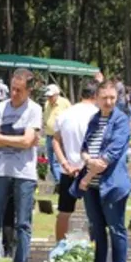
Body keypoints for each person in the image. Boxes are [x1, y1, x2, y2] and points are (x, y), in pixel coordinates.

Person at [0, 68, 42, 262]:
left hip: (25, 173)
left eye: (19, 90)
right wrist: (18, 140)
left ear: (29, 91)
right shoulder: (1, 108)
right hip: (1, 171)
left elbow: (27, 141)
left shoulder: (34, 109)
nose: (14, 94)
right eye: (13, 89)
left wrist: (2, 139)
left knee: (23, 223)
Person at [74, 81, 131, 262]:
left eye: (112, 98)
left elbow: (109, 156)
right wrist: (88, 161)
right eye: (104, 98)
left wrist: (86, 177)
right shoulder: (94, 120)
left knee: (116, 230)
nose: (109, 102)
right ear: (96, 98)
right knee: (97, 231)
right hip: (92, 187)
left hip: (112, 185)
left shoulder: (121, 120)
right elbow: (84, 148)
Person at [52, 80, 98, 241]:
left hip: (69, 170)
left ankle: (59, 248)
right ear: (96, 95)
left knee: (64, 213)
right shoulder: (98, 114)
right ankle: (96, 250)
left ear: (80, 95)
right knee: (96, 215)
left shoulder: (65, 114)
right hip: (92, 170)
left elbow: (56, 141)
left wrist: (64, 163)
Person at [42, 84, 71, 184]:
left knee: (56, 161)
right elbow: (46, 118)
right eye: (48, 96)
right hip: (49, 136)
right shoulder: (46, 104)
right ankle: (57, 182)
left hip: (60, 137)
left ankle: (59, 183)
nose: (49, 98)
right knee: (51, 161)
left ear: (57, 94)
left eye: (51, 96)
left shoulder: (65, 103)